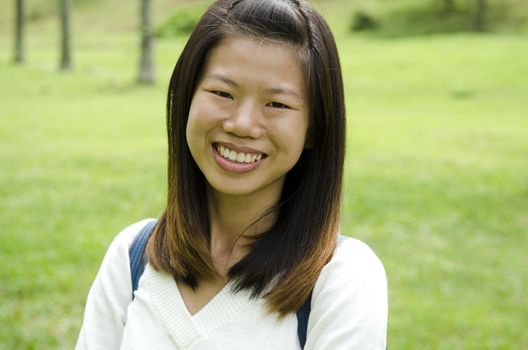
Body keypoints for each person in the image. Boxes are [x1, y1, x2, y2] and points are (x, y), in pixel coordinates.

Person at [76, 0, 388, 349]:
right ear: (186, 101)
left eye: (276, 104)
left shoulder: (342, 277)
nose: (241, 125)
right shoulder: (132, 255)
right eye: (223, 93)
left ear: (314, 128)